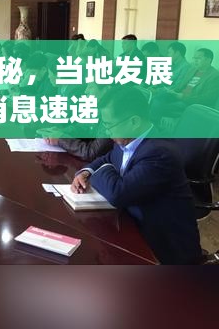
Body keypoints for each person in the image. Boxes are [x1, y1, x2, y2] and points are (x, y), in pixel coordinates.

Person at [71, 86, 202, 264]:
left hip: (164, 250)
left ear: (134, 121)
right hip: (133, 224)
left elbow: (118, 193)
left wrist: (101, 171)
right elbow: (107, 158)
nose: (108, 133)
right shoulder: (128, 138)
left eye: (109, 125)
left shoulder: (160, 153)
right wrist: (86, 172)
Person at [43, 82, 113, 161]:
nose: (86, 91)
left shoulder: (111, 115)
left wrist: (61, 139)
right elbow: (82, 127)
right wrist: (59, 132)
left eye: (91, 87)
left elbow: (91, 152)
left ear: (107, 89)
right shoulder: (97, 107)